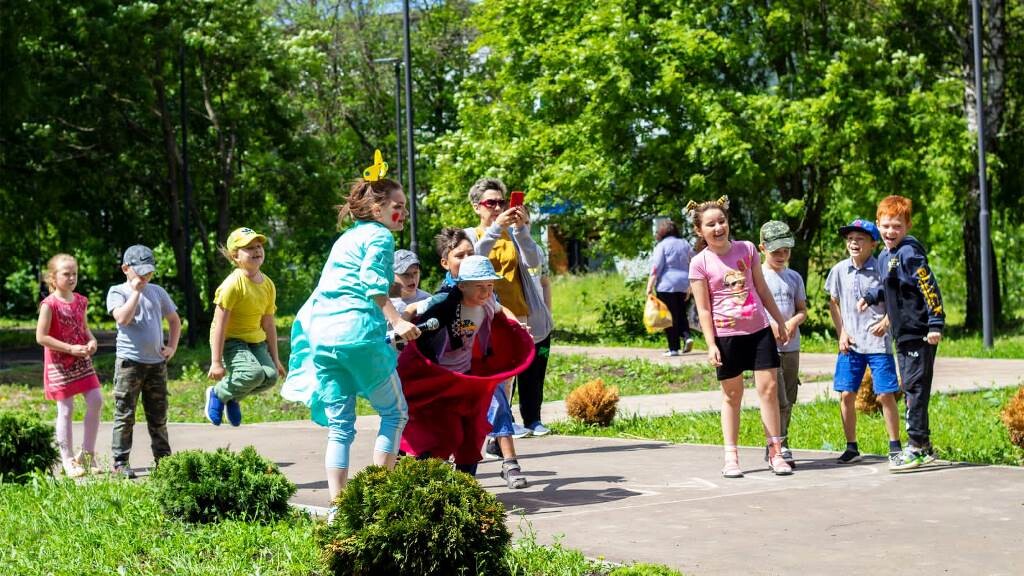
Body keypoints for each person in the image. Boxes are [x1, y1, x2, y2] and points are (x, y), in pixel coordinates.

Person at [281, 151, 420, 503]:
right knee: (395, 413)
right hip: (358, 335)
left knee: (340, 428)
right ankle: (377, 499)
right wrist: (398, 319)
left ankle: (339, 506)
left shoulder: (347, 238)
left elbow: (342, 283)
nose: (403, 212)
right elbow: (373, 283)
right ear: (378, 209)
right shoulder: (380, 237)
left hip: (323, 339)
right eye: (398, 205)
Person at [686, 196, 793, 478]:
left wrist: (779, 321)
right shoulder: (699, 263)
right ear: (700, 230)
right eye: (711, 224)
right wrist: (710, 344)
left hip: (758, 331)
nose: (718, 227)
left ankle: (776, 451)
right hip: (726, 337)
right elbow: (704, 309)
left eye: (722, 221)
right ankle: (731, 456)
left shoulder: (746, 249)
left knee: (769, 391)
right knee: (732, 396)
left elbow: (761, 288)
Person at [405, 253, 533, 489]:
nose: (486, 292)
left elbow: (502, 310)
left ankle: (465, 486)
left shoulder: (487, 304)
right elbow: (412, 309)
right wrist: (403, 325)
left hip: (468, 378)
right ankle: (423, 481)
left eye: (490, 285)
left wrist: (519, 328)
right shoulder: (442, 302)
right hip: (440, 379)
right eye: (479, 286)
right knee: (447, 434)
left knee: (472, 434)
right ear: (462, 285)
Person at [859, 195, 944, 472]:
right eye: (885, 226)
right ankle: (924, 445)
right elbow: (890, 286)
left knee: (914, 389)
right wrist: (872, 296)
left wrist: (935, 323)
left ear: (907, 226)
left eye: (897, 226)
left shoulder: (909, 253)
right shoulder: (885, 255)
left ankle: (917, 446)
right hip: (903, 333)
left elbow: (927, 285)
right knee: (911, 387)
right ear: (877, 224)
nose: (890, 232)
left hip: (919, 332)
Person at [465, 178, 553, 437]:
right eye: (490, 202)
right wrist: (495, 229)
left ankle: (511, 422)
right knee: (495, 372)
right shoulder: (471, 235)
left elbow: (534, 261)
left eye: (502, 202)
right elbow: (474, 259)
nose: (497, 207)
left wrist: (522, 229)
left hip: (517, 308)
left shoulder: (511, 235)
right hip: (486, 312)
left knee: (512, 372)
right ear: (476, 207)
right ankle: (497, 426)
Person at [826, 218, 903, 468]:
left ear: (873, 243)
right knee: (846, 393)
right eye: (849, 239)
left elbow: (897, 298)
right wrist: (841, 332)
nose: (853, 243)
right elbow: (833, 303)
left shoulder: (882, 268)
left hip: (878, 344)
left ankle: (895, 446)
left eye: (859, 239)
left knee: (885, 395)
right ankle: (851, 446)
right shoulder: (839, 270)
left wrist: (888, 321)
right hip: (851, 344)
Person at [107, 245, 182, 479]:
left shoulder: (158, 292)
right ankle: (120, 462)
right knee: (125, 414)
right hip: (130, 363)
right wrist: (137, 292)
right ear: (125, 269)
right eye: (140, 272)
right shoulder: (118, 291)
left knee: (158, 415)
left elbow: (174, 320)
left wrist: (172, 347)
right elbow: (122, 318)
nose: (145, 276)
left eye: (149, 272)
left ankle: (164, 460)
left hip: (156, 364)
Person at [205, 227, 286, 427]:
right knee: (253, 374)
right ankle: (217, 393)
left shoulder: (268, 285)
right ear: (235, 256)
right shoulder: (233, 284)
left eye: (258, 246)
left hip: (255, 340)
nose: (256, 250)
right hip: (231, 340)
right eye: (248, 248)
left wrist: (275, 359)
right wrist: (216, 362)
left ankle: (232, 397)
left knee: (270, 377)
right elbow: (219, 324)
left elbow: (268, 323)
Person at [35, 253, 103, 478]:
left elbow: (84, 329)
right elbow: (41, 337)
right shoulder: (49, 304)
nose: (72, 277)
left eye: (75, 273)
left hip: (81, 360)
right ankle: (67, 460)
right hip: (59, 364)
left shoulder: (81, 301)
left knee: (96, 400)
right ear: (53, 278)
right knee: (65, 410)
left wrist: (91, 340)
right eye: (67, 274)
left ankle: (88, 454)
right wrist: (69, 348)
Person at [758, 221, 806, 468]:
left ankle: (782, 440)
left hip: (791, 346)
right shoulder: (759, 277)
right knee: (777, 399)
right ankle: (775, 443)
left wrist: (792, 323)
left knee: (789, 397)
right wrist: (773, 324)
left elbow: (802, 310)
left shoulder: (794, 277)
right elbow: (755, 310)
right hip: (768, 346)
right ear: (763, 248)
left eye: (786, 250)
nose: (781, 255)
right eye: (776, 251)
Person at [646, 219, 696, 356]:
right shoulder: (685, 244)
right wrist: (691, 284)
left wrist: (649, 286)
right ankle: (687, 337)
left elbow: (656, 267)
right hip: (684, 284)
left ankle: (673, 348)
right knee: (681, 314)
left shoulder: (662, 245)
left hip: (666, 285)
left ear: (662, 232)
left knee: (668, 317)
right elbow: (695, 260)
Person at [390, 249, 431, 316]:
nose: (412, 278)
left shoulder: (428, 300)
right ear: (392, 275)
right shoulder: (386, 304)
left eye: (415, 272)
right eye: (405, 274)